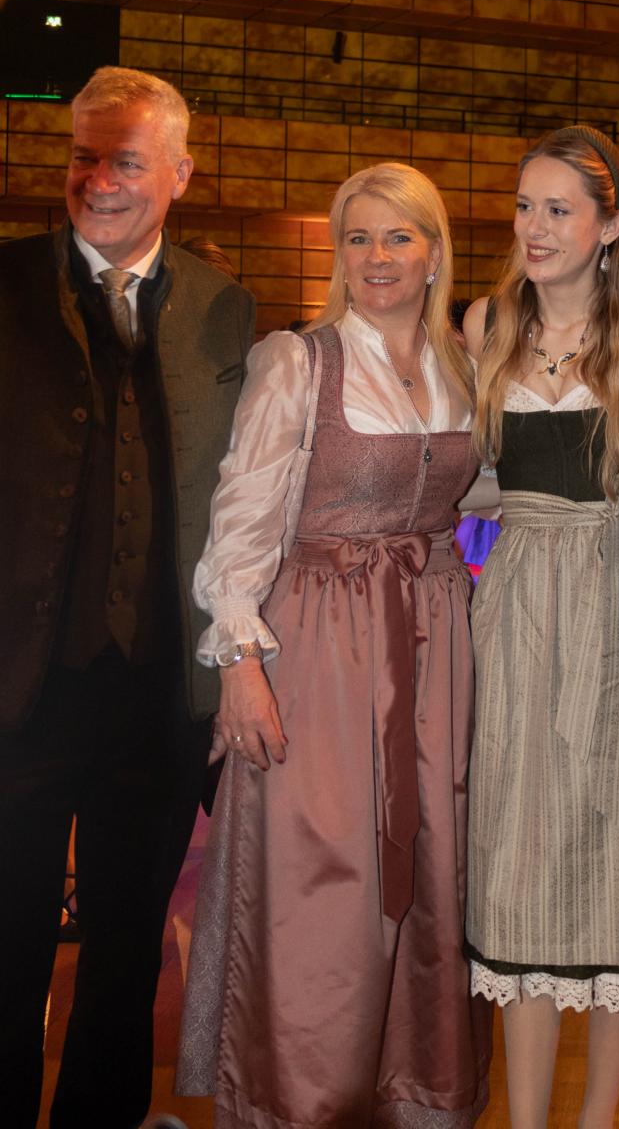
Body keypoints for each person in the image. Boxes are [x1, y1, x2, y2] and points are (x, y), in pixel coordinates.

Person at [176, 163, 491, 1128]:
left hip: (433, 637)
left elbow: (483, 494)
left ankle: (412, 1096)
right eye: (357, 238)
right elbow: (242, 519)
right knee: (319, 876)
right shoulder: (298, 361)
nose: (377, 257)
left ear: (434, 252)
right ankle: (296, 1100)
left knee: (433, 866)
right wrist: (241, 665)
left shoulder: (467, 366)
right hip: (318, 642)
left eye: (398, 236)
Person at [0, 66, 255, 1129]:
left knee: (125, 948)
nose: (98, 179)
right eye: (81, 157)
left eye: (127, 160)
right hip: (19, 685)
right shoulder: (5, 281)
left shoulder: (226, 308)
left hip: (157, 697)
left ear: (180, 174)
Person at [464, 124, 619, 1129]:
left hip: (617, 604)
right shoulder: (487, 323)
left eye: (559, 209)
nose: (536, 227)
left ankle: (599, 1121)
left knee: (618, 859)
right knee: (517, 862)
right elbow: (471, 479)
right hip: (516, 603)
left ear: (609, 225)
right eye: (525, 206)